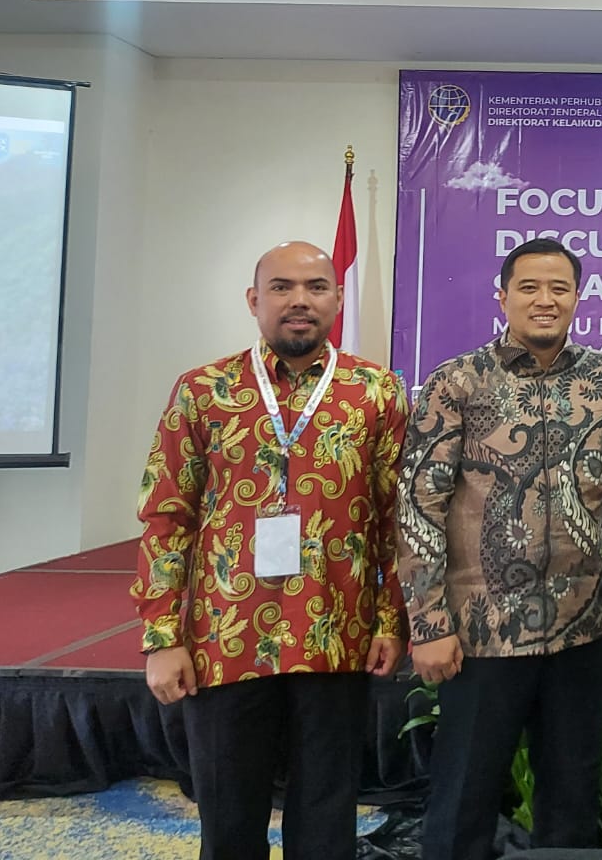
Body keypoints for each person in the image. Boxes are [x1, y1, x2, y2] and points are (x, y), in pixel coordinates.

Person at [133, 240, 408, 860]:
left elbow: (394, 519)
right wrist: (161, 636)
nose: (299, 300)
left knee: (326, 819)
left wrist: (391, 619)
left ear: (338, 299)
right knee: (228, 817)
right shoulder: (202, 390)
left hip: (336, 632)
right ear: (254, 300)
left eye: (316, 286)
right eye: (282, 287)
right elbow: (166, 516)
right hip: (223, 636)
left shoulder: (377, 392)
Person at [397, 238, 602, 858]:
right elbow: (420, 504)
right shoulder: (458, 381)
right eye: (529, 287)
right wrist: (428, 623)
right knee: (465, 796)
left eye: (559, 288)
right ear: (502, 297)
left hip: (584, 627)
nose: (545, 299)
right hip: (483, 631)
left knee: (572, 798)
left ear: (578, 297)